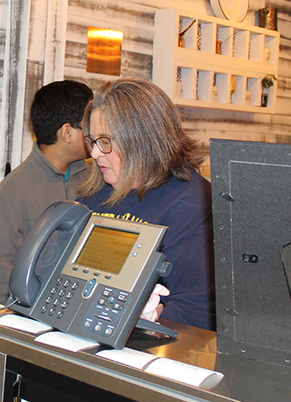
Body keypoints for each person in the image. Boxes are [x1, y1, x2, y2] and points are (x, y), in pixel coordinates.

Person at [77, 77, 215, 330]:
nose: (95, 153)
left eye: (105, 142)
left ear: (141, 141)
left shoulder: (193, 206)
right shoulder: (94, 195)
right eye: (93, 141)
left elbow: (197, 313)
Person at [0, 80, 92, 305]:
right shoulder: (12, 192)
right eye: (89, 127)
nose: (96, 134)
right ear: (67, 132)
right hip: (27, 322)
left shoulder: (94, 180)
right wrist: (39, 312)